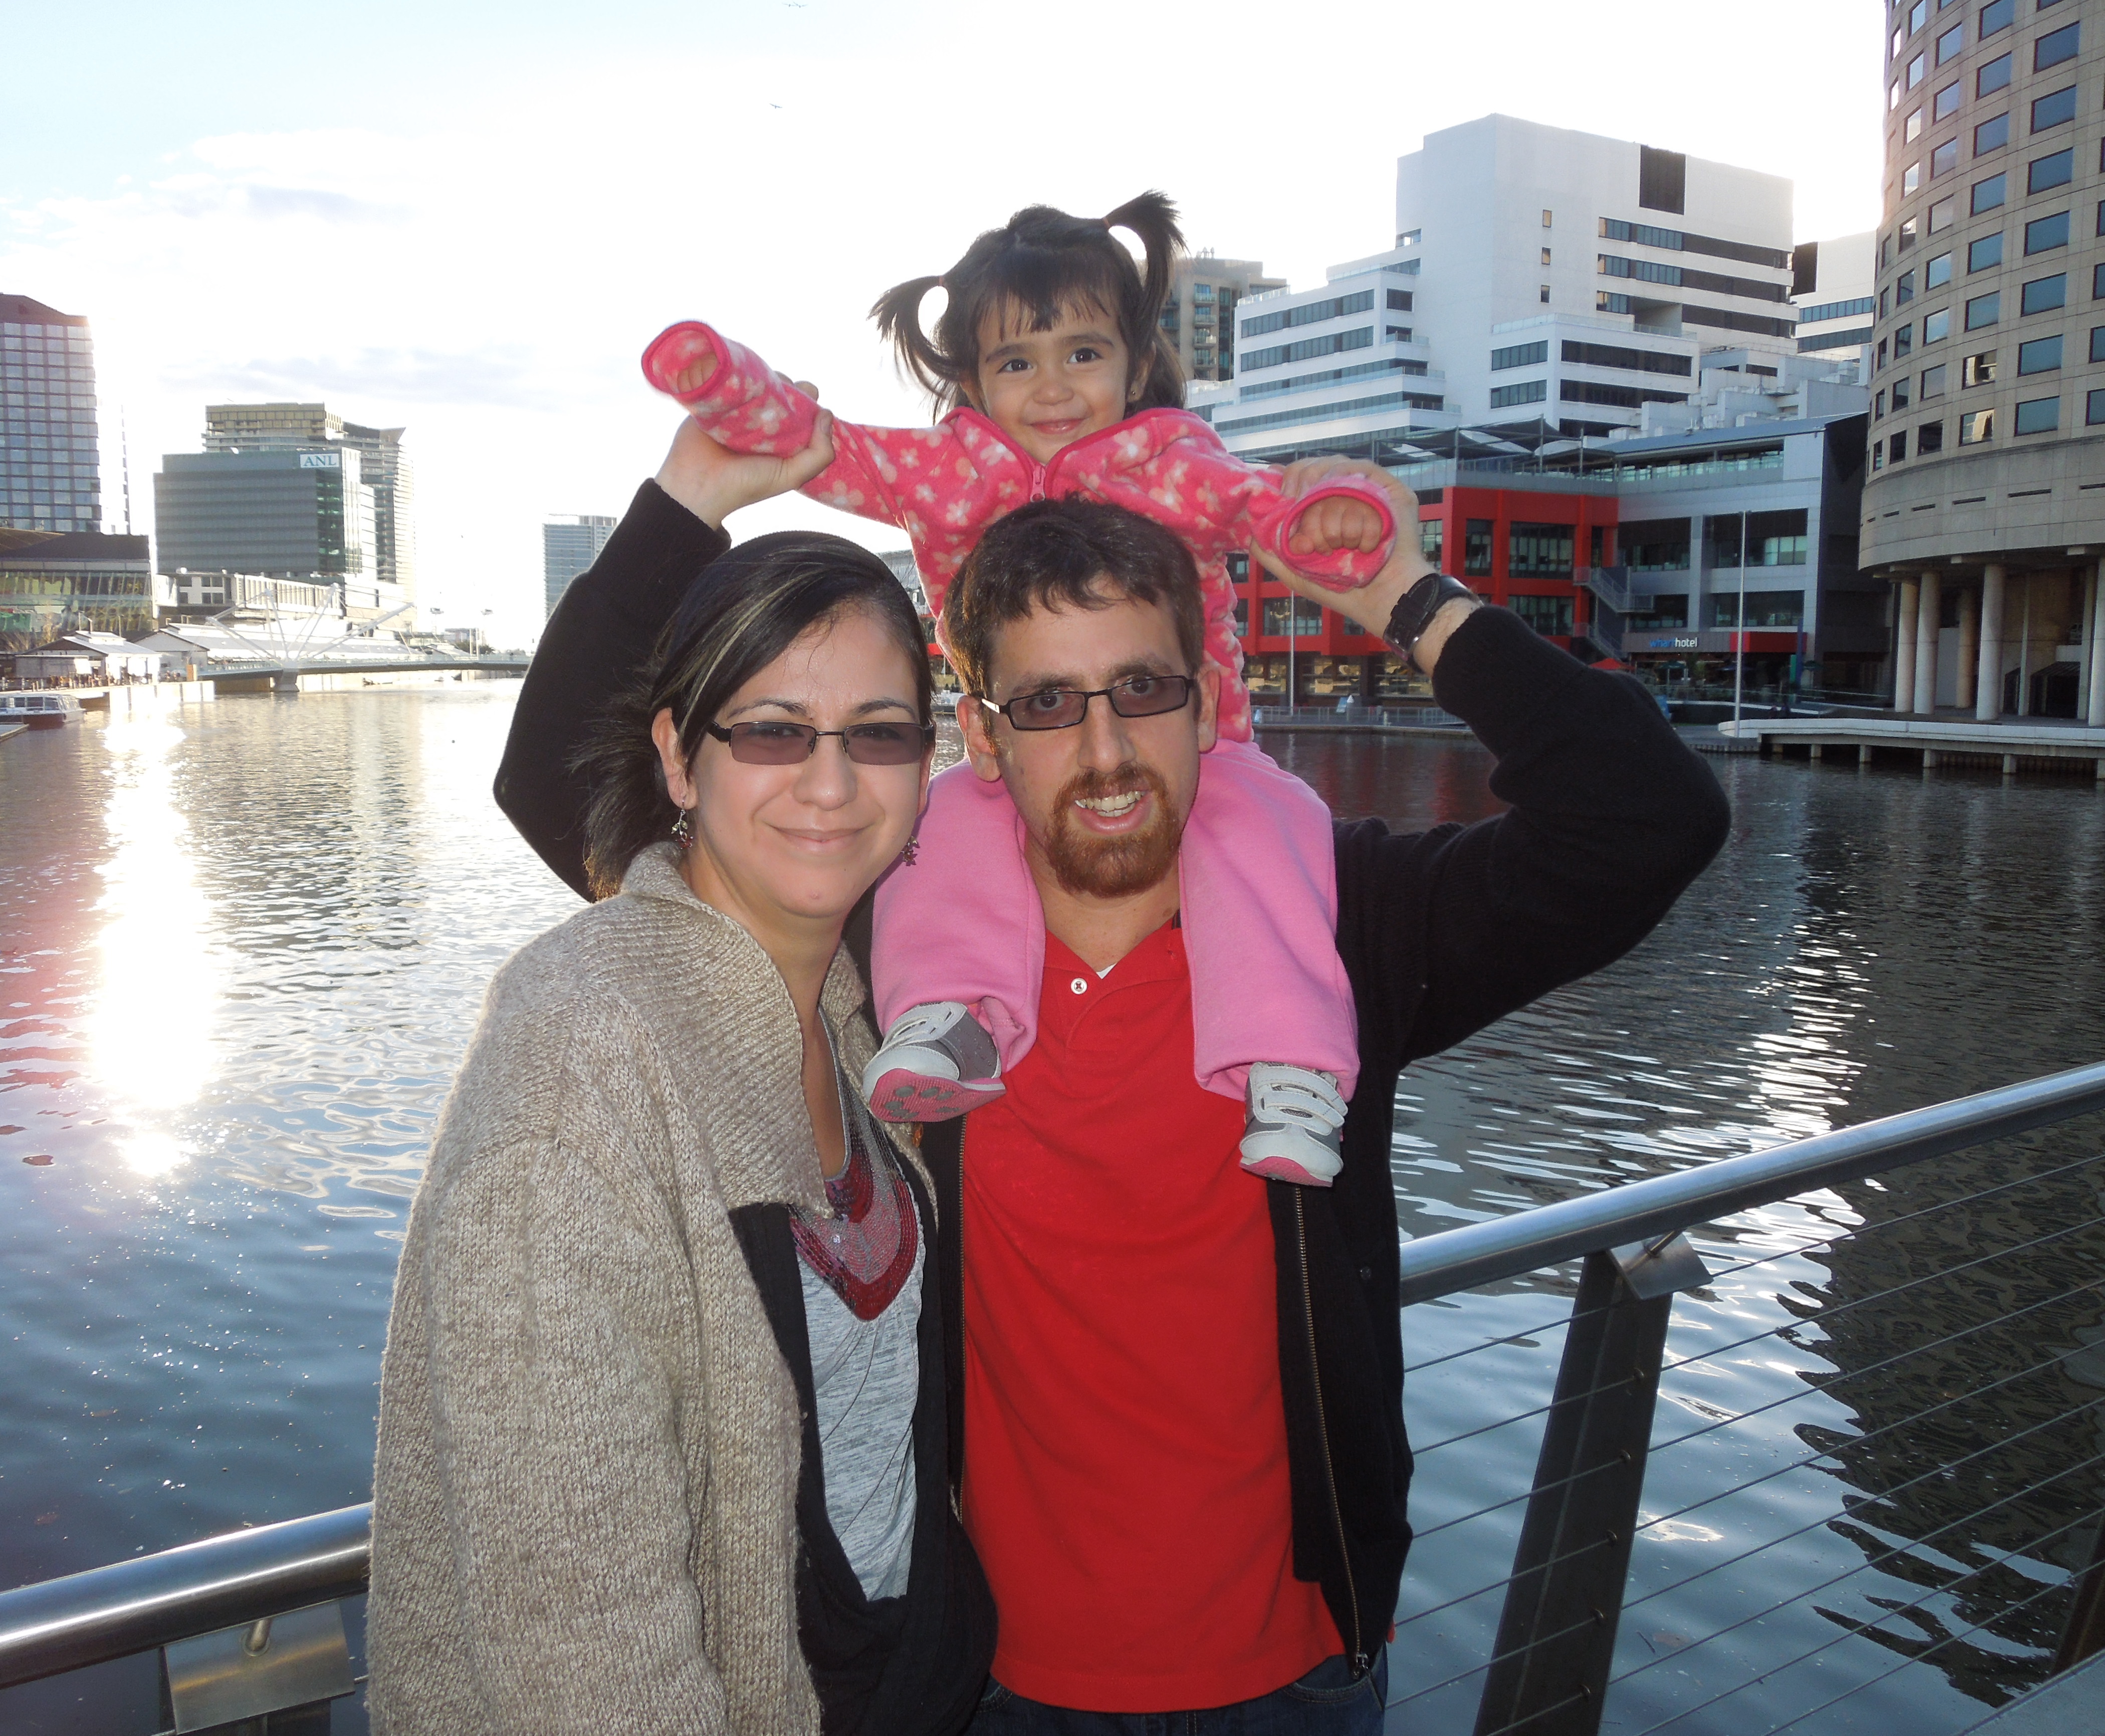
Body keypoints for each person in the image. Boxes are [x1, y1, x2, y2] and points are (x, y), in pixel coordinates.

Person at [498, 412, 1728, 1732]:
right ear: (985, 738)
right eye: (1046, 703)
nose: (1103, 750)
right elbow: (570, 791)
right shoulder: (894, 957)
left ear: (1206, 703)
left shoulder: (1335, 930)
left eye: (1142, 690)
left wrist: (1402, 597)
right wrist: (689, 495)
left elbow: (1648, 818)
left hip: (1296, 1674)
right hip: (990, 1683)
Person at [369, 526, 994, 1733]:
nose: (830, 783)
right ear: (678, 757)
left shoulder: (865, 1018)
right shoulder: (579, 1061)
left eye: (878, 733)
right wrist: (694, 487)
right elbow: (580, 1647)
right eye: (772, 732)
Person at [643, 194, 1394, 1190]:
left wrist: (1341, 517)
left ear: (1135, 361)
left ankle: (1291, 1067)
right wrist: (730, 391)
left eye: (1083, 353)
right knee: (949, 820)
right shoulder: (950, 475)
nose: (1052, 387)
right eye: (1015, 363)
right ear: (970, 380)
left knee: (1270, 826)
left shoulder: (1172, 465)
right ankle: (949, 1018)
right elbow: (832, 449)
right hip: (1014, 748)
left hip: (1201, 745)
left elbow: (1267, 507)